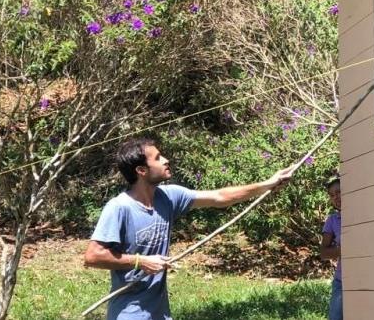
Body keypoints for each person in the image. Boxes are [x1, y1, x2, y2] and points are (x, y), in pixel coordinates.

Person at [83, 137, 292, 320]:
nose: (165, 160)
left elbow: (220, 197)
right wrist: (140, 261)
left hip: (160, 312)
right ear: (141, 171)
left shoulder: (168, 196)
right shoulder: (119, 208)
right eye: (157, 158)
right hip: (129, 313)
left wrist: (268, 184)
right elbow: (92, 256)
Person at [320, 175, 342, 320]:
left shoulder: (364, 215)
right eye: (332, 195)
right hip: (342, 281)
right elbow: (323, 253)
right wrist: (341, 250)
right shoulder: (332, 220)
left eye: (339, 192)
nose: (335, 197)